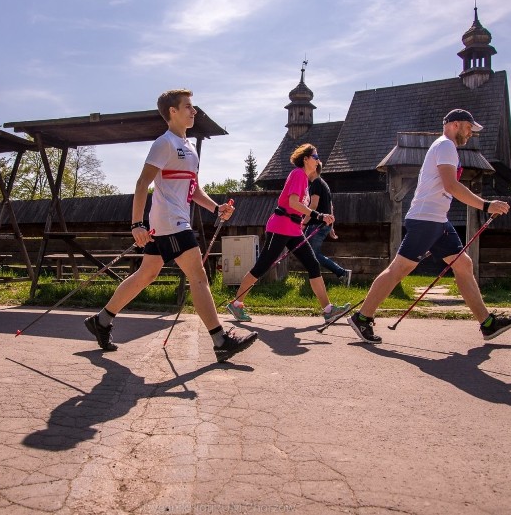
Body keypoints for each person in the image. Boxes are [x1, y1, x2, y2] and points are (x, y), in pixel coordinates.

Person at [84, 89, 258, 363]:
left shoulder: (189, 148)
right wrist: (136, 225)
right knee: (198, 276)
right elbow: (143, 184)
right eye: (188, 107)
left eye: (193, 107)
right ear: (172, 112)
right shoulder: (163, 143)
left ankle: (102, 320)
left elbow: (194, 189)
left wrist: (216, 208)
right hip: (170, 222)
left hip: (173, 220)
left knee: (146, 275)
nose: (194, 111)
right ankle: (220, 340)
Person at [346, 109, 511, 343]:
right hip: (426, 220)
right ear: (455, 125)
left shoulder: (447, 147)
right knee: (399, 269)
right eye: (469, 128)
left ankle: (487, 324)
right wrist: (486, 205)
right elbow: (451, 185)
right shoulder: (445, 146)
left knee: (463, 265)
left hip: (438, 221)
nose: (470, 134)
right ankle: (362, 318)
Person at [226, 144, 351, 324]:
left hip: (293, 229)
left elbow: (297, 208)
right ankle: (236, 304)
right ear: (306, 159)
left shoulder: (306, 181)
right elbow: (293, 203)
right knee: (262, 266)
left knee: (313, 264)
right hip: (280, 226)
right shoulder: (298, 174)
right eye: (315, 156)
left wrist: (303, 221)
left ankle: (328, 310)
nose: (318, 160)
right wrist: (318, 215)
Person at [304, 164, 351, 285]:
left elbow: (313, 205)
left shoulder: (316, 183)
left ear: (313, 169)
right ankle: (313, 279)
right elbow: (330, 207)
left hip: (317, 224)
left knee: (313, 254)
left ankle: (342, 273)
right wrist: (331, 227)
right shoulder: (324, 184)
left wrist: (303, 223)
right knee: (311, 254)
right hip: (324, 224)